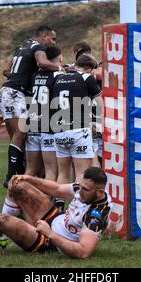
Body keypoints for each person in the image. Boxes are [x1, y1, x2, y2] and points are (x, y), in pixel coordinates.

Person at [0, 167, 111, 259]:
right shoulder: (84, 189)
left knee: (2, 220)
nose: (79, 193)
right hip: (53, 218)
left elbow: (83, 252)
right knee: (17, 184)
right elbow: (57, 189)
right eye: (79, 187)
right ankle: (1, 237)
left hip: (49, 241)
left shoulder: (97, 213)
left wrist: (50, 234)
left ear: (99, 193)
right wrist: (28, 178)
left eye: (85, 190)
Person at [0, 25, 60, 189]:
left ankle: (18, 176)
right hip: (13, 94)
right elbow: (43, 62)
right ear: (44, 36)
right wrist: (61, 69)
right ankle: (11, 175)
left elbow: (6, 71)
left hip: (8, 92)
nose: (53, 42)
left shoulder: (21, 47)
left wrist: (22, 77)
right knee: (20, 133)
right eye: (52, 39)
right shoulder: (38, 47)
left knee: (18, 139)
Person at [52, 54, 102, 190]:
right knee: (81, 174)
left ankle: (59, 204)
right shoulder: (87, 78)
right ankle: (78, 206)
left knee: (63, 173)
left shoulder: (58, 78)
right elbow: (99, 102)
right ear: (88, 68)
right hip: (78, 129)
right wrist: (100, 122)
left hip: (59, 130)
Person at [25, 46, 63, 181]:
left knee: (30, 170)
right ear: (60, 57)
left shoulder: (35, 75)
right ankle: (46, 202)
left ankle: (12, 199)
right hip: (48, 126)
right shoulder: (58, 75)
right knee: (51, 171)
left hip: (32, 125)